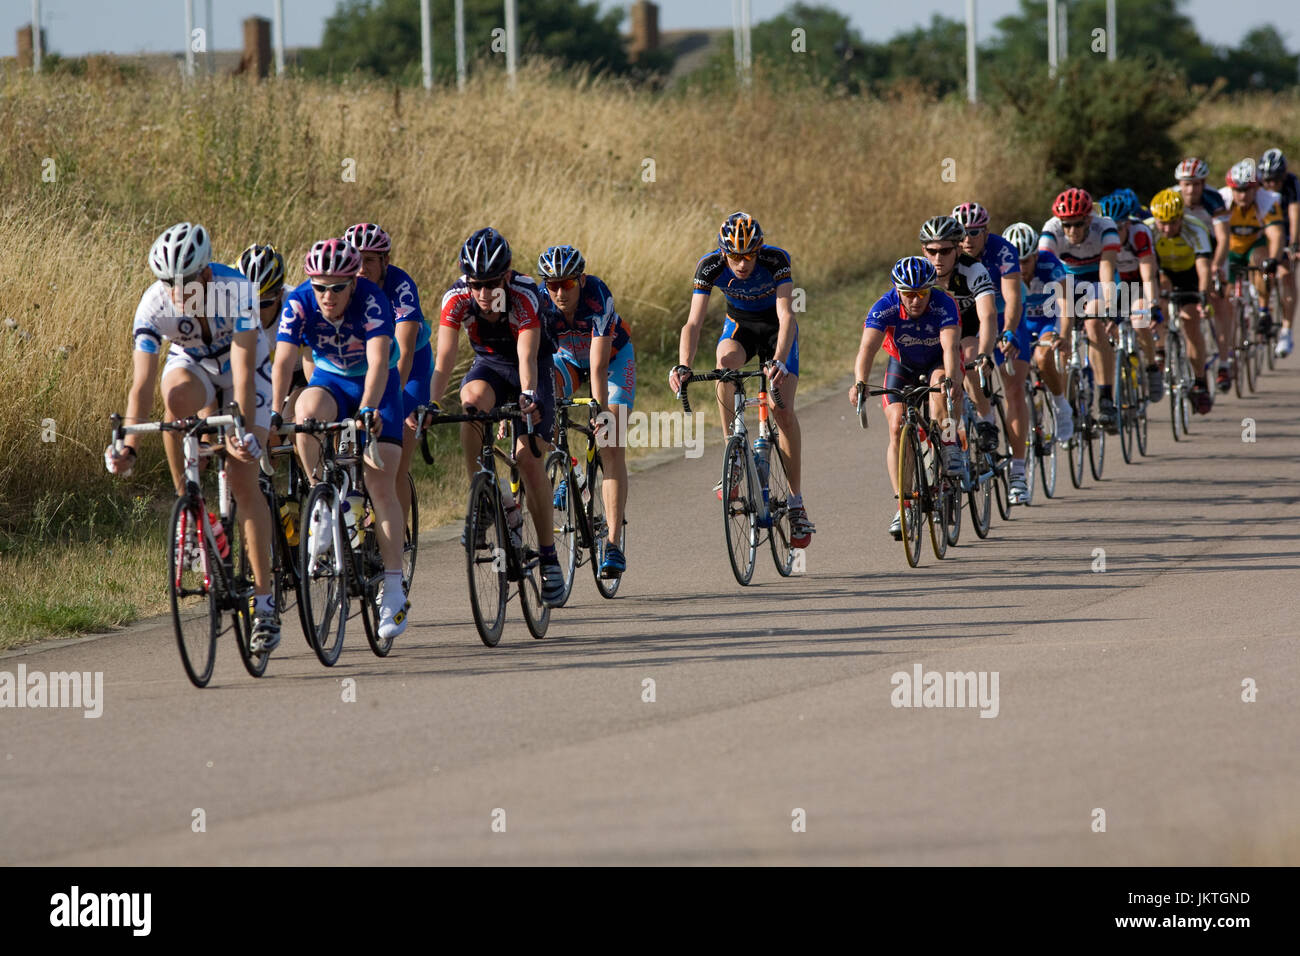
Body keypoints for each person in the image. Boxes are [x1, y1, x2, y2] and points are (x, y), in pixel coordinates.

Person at [105, 222, 281, 653]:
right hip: (197, 366)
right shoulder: (152, 305)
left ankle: (265, 602)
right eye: (169, 282)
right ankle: (191, 508)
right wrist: (128, 443)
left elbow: (241, 371)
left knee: (243, 481)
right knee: (175, 397)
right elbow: (141, 384)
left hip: (245, 369)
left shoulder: (235, 289)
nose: (176, 290)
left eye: (185, 281)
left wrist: (242, 430)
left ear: (206, 273)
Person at [271, 238, 410, 640]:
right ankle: (320, 503)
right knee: (306, 413)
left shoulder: (370, 300)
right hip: (330, 381)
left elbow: (380, 360)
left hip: (375, 386)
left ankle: (394, 588)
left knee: (380, 477)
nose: (327, 296)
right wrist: (276, 410)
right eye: (320, 287)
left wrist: (368, 408)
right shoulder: (298, 302)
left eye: (336, 287)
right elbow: (283, 360)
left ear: (352, 282)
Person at [429, 227, 566, 606]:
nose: (485, 295)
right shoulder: (456, 298)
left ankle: (549, 556)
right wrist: (429, 403)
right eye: (477, 285)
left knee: (527, 457)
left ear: (506, 277)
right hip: (488, 366)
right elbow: (444, 360)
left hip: (529, 368)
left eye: (492, 284)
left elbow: (526, 355)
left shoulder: (525, 295)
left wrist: (526, 394)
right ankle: (488, 497)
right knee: (470, 403)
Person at [668, 212, 814, 548]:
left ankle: (795, 503)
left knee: (783, 412)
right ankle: (733, 458)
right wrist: (683, 364)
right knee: (724, 365)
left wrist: (778, 359)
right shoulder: (710, 266)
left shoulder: (776, 260)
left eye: (748, 255)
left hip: (778, 331)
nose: (742, 263)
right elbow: (693, 323)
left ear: (758, 250)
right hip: (740, 327)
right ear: (723, 253)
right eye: (734, 256)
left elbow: (786, 314)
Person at [537, 244, 634, 578]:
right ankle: (574, 475)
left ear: (581, 280)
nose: (560, 292)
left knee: (611, 442)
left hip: (611, 363)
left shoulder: (597, 295)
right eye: (553, 285)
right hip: (567, 361)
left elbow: (597, 366)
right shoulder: (539, 302)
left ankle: (613, 544)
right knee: (540, 408)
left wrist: (601, 413)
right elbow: (534, 359)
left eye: (567, 284)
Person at [850, 256, 964, 539]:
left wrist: (953, 381)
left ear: (930, 291)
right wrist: (860, 383)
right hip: (902, 364)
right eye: (909, 294)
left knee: (941, 387)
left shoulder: (944, 304)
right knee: (897, 426)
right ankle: (903, 506)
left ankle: (949, 442)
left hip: (938, 361)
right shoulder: (884, 307)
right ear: (897, 291)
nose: (915, 300)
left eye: (922, 293)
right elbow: (867, 349)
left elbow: (950, 348)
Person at [342, 222, 430, 532]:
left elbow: (404, 353)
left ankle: (397, 539)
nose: (362, 268)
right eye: (357, 259)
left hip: (410, 366)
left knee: (398, 454)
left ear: (385, 262)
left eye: (370, 260)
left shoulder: (400, 286)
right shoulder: (341, 286)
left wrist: (389, 401)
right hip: (365, 366)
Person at [952, 201, 1030, 503]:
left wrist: (1009, 330)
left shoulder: (1003, 250)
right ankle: (985, 421)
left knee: (1013, 389)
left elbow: (1012, 299)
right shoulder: (950, 254)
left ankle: (1019, 473)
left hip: (1005, 315)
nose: (967, 239)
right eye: (962, 233)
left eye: (975, 232)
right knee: (968, 366)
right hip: (972, 317)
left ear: (987, 231)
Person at [1038, 188, 1122, 433]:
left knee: (1093, 321)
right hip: (1065, 280)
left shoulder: (1104, 226)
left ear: (1088, 219)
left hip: (1097, 279)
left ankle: (1106, 397)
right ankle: (1067, 402)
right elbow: (1044, 269)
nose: (1072, 231)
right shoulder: (1052, 229)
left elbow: (1107, 271)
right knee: (1059, 337)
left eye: (1077, 224)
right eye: (1067, 225)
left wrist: (1108, 306)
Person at [918, 215, 1000, 455]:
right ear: (924, 250)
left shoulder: (973, 270)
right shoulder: (921, 273)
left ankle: (986, 420)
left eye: (945, 251)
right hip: (938, 333)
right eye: (931, 251)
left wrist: (984, 353)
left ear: (957, 248)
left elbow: (988, 315)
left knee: (971, 361)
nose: (937, 258)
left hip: (969, 328)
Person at [1001, 222, 1074, 440]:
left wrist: (1065, 336)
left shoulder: (1049, 264)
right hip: (1021, 323)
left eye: (1025, 261)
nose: (1021, 268)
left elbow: (1066, 303)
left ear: (1035, 256)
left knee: (1043, 358)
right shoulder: (1002, 269)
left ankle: (1061, 407)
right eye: (1016, 262)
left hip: (1047, 321)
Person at [1216, 158, 1288, 376]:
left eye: (1247, 190)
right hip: (1230, 247)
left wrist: (1273, 260)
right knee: (1226, 297)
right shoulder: (1221, 200)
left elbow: (1276, 234)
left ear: (1256, 187)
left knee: (1261, 262)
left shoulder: (1267, 201)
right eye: (1237, 190)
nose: (1242, 195)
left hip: (1254, 245)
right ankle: (1228, 349)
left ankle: (1264, 310)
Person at [1145, 188, 1215, 414]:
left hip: (1190, 274)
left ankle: (1201, 382)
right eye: (1161, 223)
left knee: (1190, 321)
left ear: (1181, 218)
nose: (1166, 228)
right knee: (1159, 296)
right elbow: (1146, 268)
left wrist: (1203, 296)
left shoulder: (1195, 229)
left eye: (1172, 223)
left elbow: (1204, 267)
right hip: (1163, 273)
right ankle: (1160, 349)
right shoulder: (1147, 229)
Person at [1097, 191, 1164, 402]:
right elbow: (1105, 275)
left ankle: (1152, 366)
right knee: (1104, 324)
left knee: (1139, 321)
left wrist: (1153, 305)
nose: (1114, 234)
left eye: (1118, 228)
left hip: (1140, 281)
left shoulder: (1140, 232)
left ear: (1128, 223)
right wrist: (1109, 308)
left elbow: (1148, 275)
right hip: (1116, 282)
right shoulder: (1100, 235)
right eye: (1110, 228)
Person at [1174, 158, 1233, 390]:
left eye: (1196, 184)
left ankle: (1224, 363)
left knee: (1220, 300)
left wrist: (1217, 265)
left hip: (1212, 251)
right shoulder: (1172, 198)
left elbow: (1224, 238)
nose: (1191, 190)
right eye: (1186, 184)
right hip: (1182, 253)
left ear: (1204, 184)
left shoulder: (1213, 199)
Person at [1258, 148, 1299, 357]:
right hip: (1265, 232)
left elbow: (1294, 215)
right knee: (1259, 268)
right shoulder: (1255, 185)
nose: (1271, 185)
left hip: (1287, 232)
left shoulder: (1292, 184)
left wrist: (1294, 245)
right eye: (1267, 180)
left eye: (1275, 180)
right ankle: (1258, 309)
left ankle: (1286, 331)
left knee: (1286, 275)